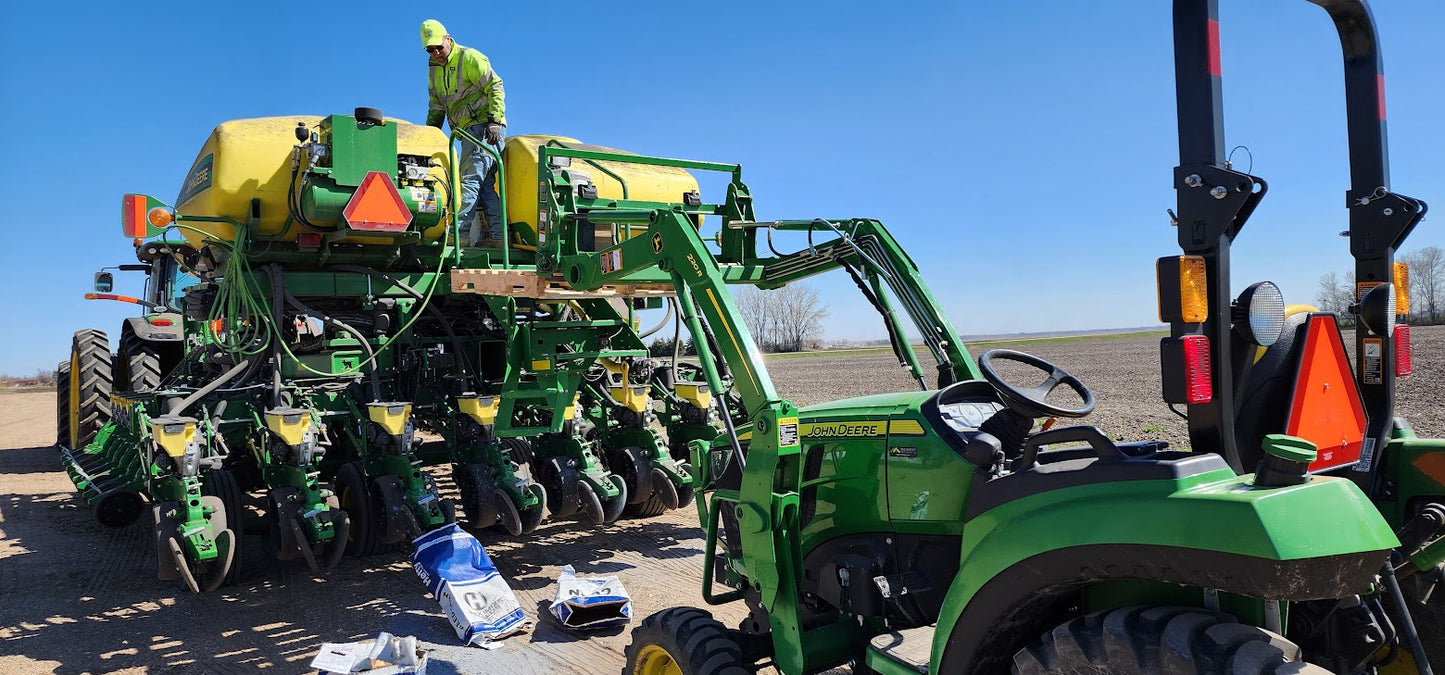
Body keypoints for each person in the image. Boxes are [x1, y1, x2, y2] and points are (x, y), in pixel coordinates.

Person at [421, 19, 506, 245]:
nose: (436, 53)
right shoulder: (434, 70)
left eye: (439, 47)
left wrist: (495, 120)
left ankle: (460, 235)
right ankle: (499, 237)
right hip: (466, 132)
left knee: (469, 181)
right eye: (430, 49)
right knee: (484, 186)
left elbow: (495, 86)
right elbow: (436, 107)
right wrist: (428, 136)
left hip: (484, 128)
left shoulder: (469, 58)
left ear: (448, 39)